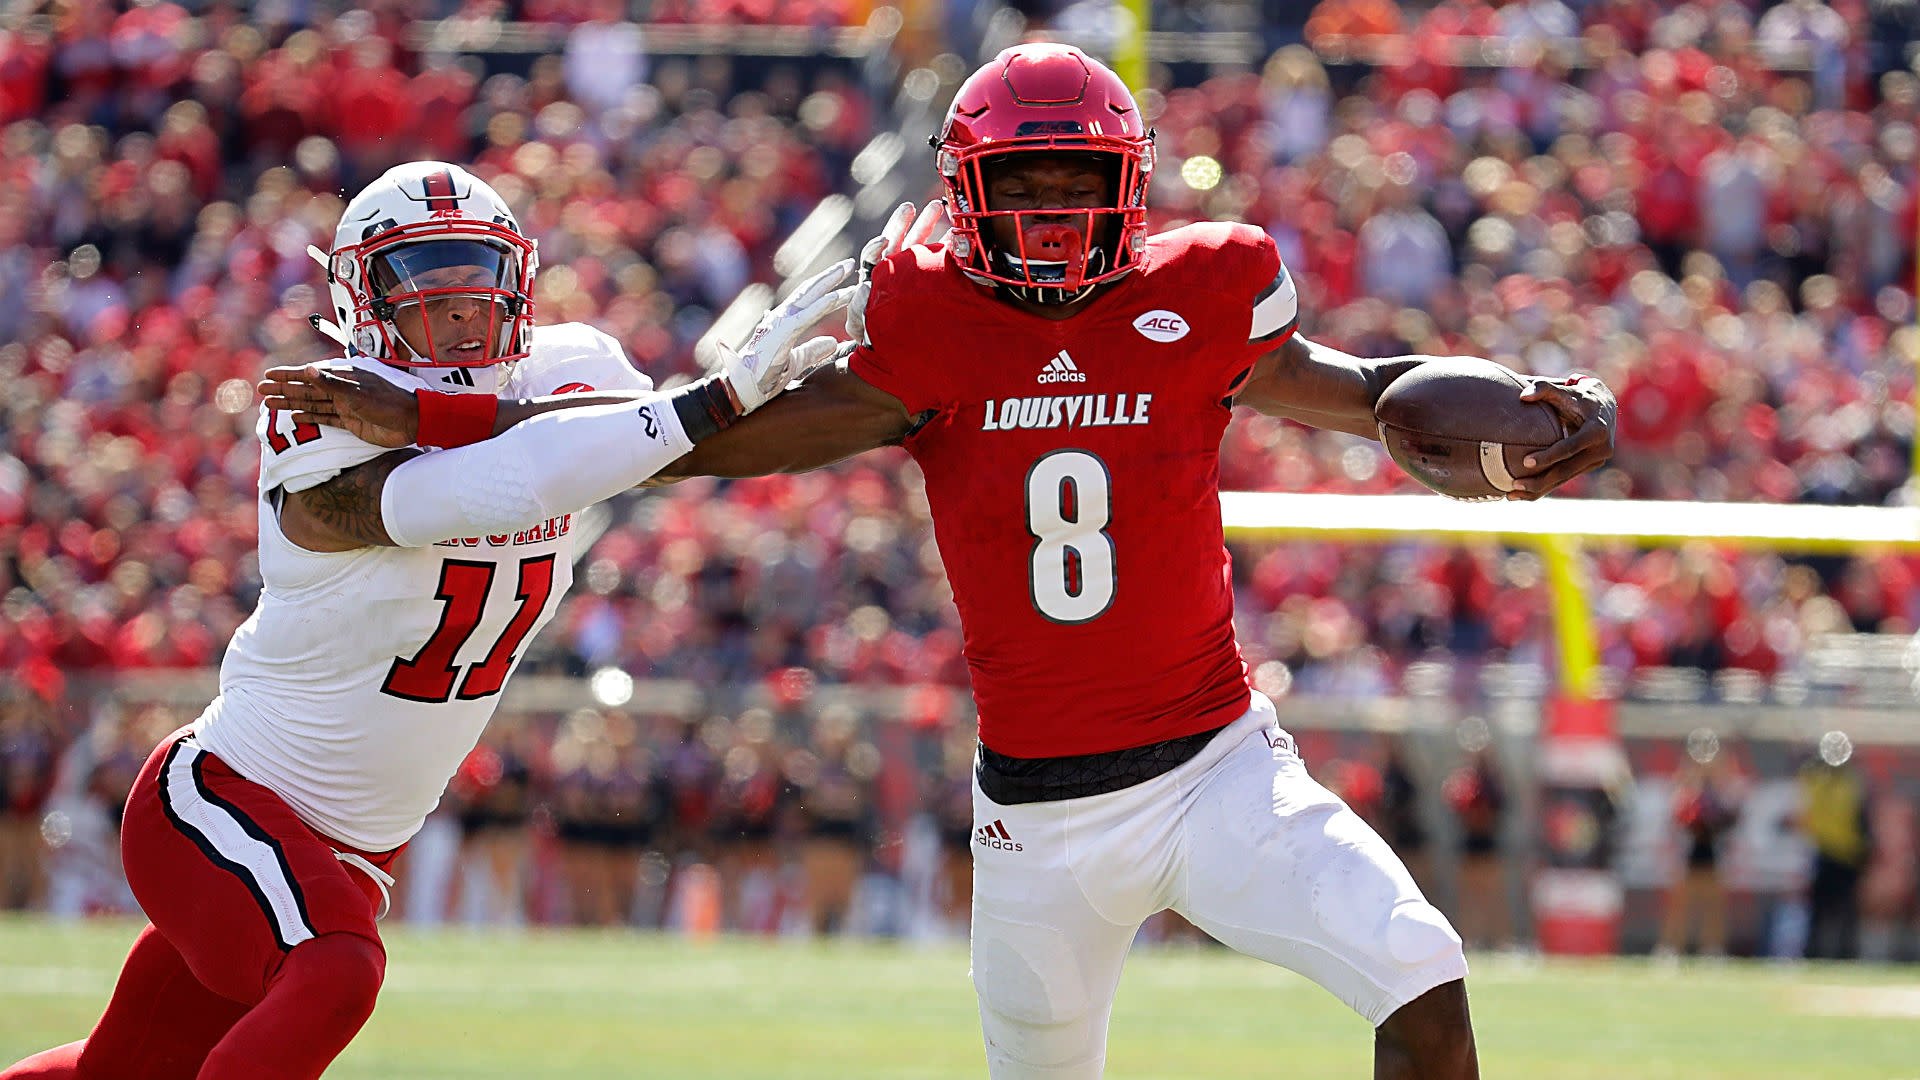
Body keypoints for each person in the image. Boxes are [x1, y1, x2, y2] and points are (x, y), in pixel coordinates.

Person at [268, 45, 1616, 1079]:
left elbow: (1373, 388)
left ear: (1125, 187)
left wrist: (1516, 410)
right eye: (1018, 183)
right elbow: (680, 445)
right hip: (1037, 820)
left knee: (1422, 974)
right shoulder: (925, 327)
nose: (1043, 213)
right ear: (965, 190)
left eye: (1072, 182)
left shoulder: (1203, 292)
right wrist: (463, 416)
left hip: (1219, 770)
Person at [1, 160, 850, 1080]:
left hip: (353, 850)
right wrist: (710, 400)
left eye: (474, 271)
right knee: (336, 972)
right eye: (419, 276)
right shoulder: (318, 409)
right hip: (219, 805)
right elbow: (495, 483)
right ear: (360, 297)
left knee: (119, 1074)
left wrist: (866, 401)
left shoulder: (576, 368)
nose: (457, 302)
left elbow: (646, 445)